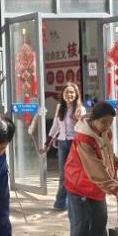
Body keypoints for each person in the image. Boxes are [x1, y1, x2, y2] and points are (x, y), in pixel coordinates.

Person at [64, 101, 118, 236]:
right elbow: (94, 167)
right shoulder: (83, 138)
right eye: (104, 122)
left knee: (100, 220)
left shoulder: (105, 132)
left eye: (110, 122)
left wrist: (114, 161)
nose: (107, 126)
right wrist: (115, 188)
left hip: (98, 184)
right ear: (93, 119)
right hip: (78, 183)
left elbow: (106, 150)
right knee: (81, 222)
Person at [43, 82, 85, 212]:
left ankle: (75, 202)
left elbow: (83, 128)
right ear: (63, 94)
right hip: (62, 143)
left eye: (72, 92)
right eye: (67, 92)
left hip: (75, 143)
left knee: (74, 173)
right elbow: (55, 126)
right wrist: (47, 143)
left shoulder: (80, 109)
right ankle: (61, 203)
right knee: (63, 174)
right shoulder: (59, 108)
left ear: (76, 94)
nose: (69, 95)